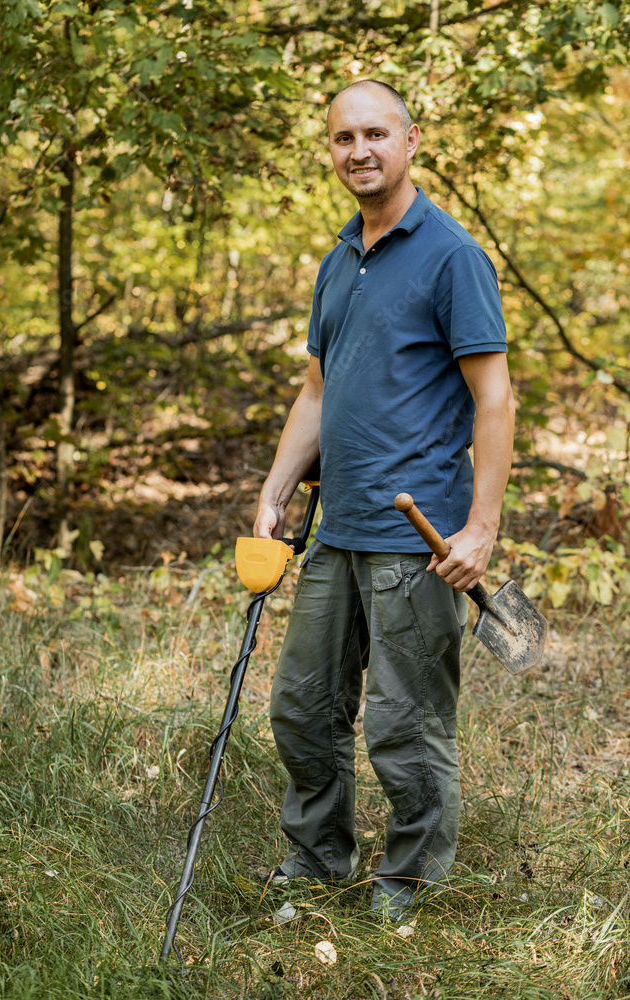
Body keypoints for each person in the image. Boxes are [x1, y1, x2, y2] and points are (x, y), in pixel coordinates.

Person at [253, 79, 515, 919]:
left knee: (403, 726)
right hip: (337, 530)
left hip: (419, 539)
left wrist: (480, 527)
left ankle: (409, 878)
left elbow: (495, 400)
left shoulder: (451, 255)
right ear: (328, 150)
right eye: (341, 138)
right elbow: (315, 394)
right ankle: (320, 856)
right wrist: (275, 492)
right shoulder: (338, 260)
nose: (357, 150)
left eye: (374, 133)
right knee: (302, 708)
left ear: (411, 142)